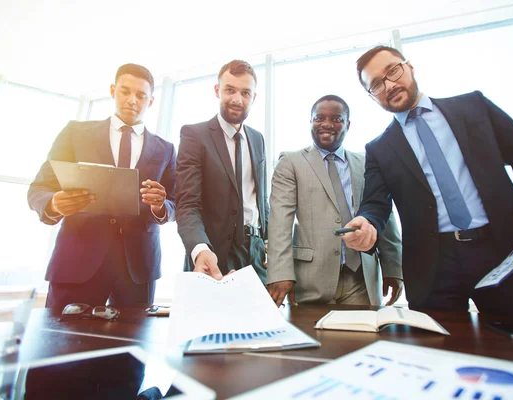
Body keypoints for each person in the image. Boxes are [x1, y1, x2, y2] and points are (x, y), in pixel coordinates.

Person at [342, 45, 513, 321]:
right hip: (434, 266)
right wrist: (367, 222)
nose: (390, 85)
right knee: (440, 353)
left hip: (504, 249)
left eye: (393, 70)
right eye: (377, 85)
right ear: (372, 97)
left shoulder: (474, 106)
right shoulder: (379, 148)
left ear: (410, 67)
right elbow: (375, 204)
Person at [28, 63, 176, 309]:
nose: (132, 100)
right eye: (125, 91)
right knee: (63, 344)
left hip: (138, 268)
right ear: (112, 90)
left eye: (141, 95)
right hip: (77, 261)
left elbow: (175, 201)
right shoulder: (75, 133)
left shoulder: (166, 149)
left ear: (150, 101)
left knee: (131, 345)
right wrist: (54, 203)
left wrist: (161, 206)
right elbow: (38, 189)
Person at [267, 95, 403, 307]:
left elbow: (384, 214)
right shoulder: (290, 163)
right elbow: (279, 223)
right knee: (312, 339)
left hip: (361, 279)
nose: (327, 124)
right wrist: (280, 273)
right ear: (311, 121)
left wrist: (394, 267)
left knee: (362, 338)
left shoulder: (366, 162)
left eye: (337, 119)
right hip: (310, 280)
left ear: (347, 124)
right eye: (319, 118)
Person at [175, 60, 268, 283]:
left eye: (245, 93)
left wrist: (270, 245)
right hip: (211, 255)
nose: (237, 99)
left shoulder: (257, 139)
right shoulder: (194, 136)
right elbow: (187, 205)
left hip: (255, 254)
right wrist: (200, 249)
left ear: (253, 98)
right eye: (230, 90)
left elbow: (260, 200)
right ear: (217, 91)